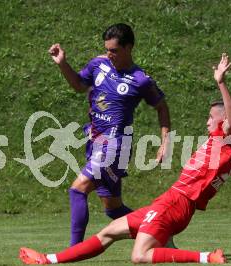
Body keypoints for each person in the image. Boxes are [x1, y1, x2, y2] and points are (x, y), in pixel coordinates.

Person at [20, 53, 231, 265]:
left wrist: (221, 83)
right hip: (169, 202)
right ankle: (48, 259)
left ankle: (206, 257)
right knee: (109, 231)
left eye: (211, 118)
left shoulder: (226, 139)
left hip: (175, 205)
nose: (207, 122)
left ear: (222, 122)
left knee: (139, 256)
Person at [48, 23, 171, 246]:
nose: (109, 54)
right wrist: (63, 64)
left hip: (115, 146)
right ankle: (160, 232)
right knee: (113, 209)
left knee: (78, 190)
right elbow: (78, 85)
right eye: (107, 49)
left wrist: (165, 143)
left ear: (129, 48)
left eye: (114, 50)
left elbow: (162, 107)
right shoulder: (98, 65)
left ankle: (73, 251)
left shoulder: (140, 79)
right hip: (95, 141)